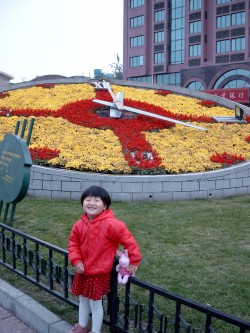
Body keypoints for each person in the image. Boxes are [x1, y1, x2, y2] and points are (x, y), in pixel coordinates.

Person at [67, 186, 142, 333]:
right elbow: (73, 244)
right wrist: (76, 261)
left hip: (98, 273)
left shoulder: (111, 224)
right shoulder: (79, 224)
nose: (91, 203)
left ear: (105, 205)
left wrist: (134, 260)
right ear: (83, 203)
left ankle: (96, 331)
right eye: (88, 199)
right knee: (82, 299)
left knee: (95, 304)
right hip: (82, 271)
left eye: (97, 200)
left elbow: (129, 240)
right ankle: (82, 326)